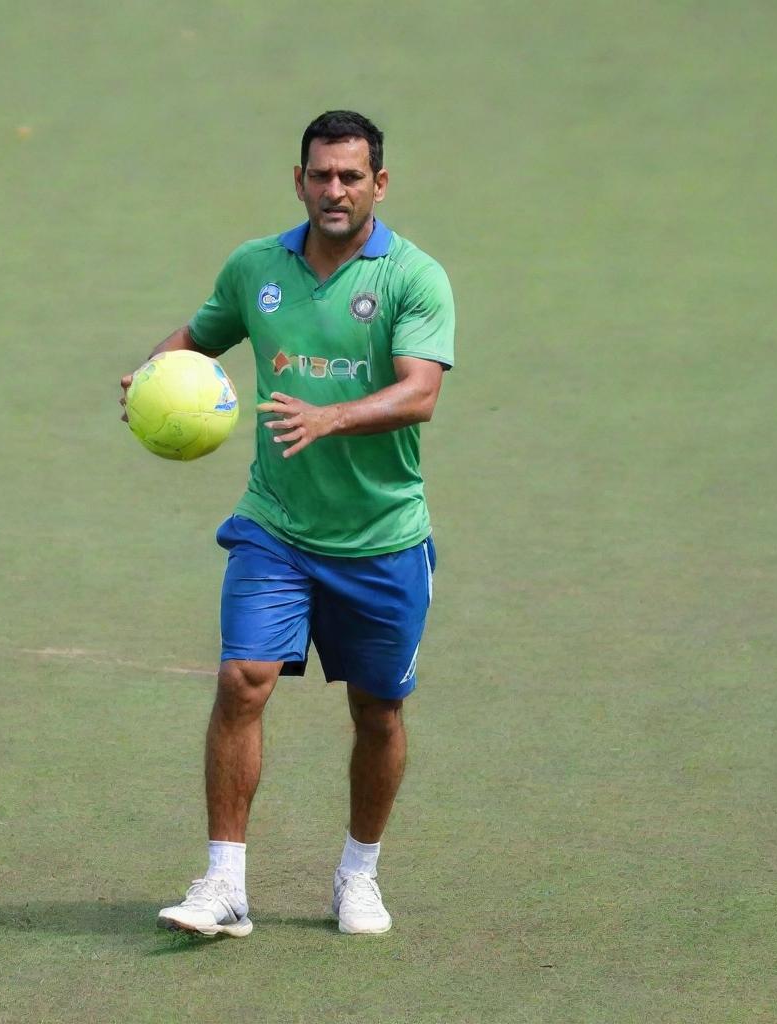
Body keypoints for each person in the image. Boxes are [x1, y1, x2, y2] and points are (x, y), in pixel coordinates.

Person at [119, 110, 455, 937]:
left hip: (381, 540)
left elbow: (421, 391)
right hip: (276, 528)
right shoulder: (255, 268)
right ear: (298, 179)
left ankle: (358, 876)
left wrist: (330, 418)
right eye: (318, 174)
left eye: (350, 176)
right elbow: (197, 340)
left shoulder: (414, 277)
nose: (332, 190)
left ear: (379, 183)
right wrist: (154, 379)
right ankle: (224, 883)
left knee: (378, 712)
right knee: (243, 681)